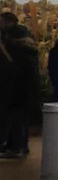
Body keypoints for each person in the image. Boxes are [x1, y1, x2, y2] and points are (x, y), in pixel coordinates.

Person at [0, 24, 39, 158]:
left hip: (16, 91)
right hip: (24, 92)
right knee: (20, 120)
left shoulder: (15, 52)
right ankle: (20, 145)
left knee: (15, 120)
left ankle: (16, 146)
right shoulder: (29, 51)